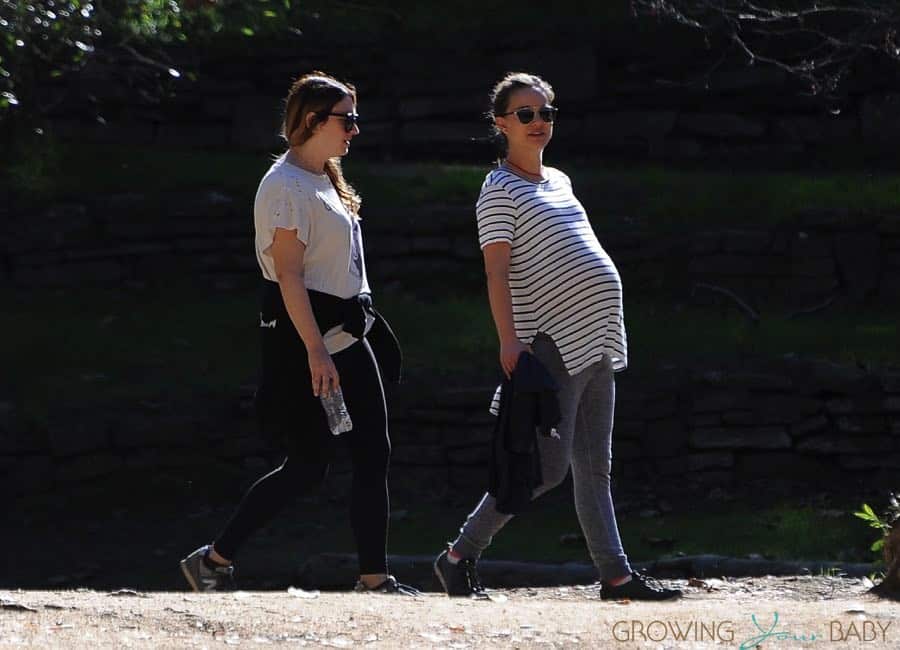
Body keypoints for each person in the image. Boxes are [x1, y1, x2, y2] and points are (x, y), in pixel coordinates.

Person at [432, 72, 681, 601]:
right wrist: (508, 343)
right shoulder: (498, 189)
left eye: (546, 113)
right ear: (502, 123)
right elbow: (496, 272)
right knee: (544, 470)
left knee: (595, 468)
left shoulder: (560, 180)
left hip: (595, 337)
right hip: (551, 342)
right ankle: (459, 555)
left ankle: (615, 577)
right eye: (526, 114)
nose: (539, 122)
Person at [180, 71, 416, 595]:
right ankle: (367, 578)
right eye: (346, 119)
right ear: (312, 121)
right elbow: (288, 276)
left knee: (340, 458)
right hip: (318, 343)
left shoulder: (324, 176)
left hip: (349, 334)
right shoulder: (284, 186)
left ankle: (215, 561)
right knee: (321, 462)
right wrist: (316, 351)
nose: (354, 129)